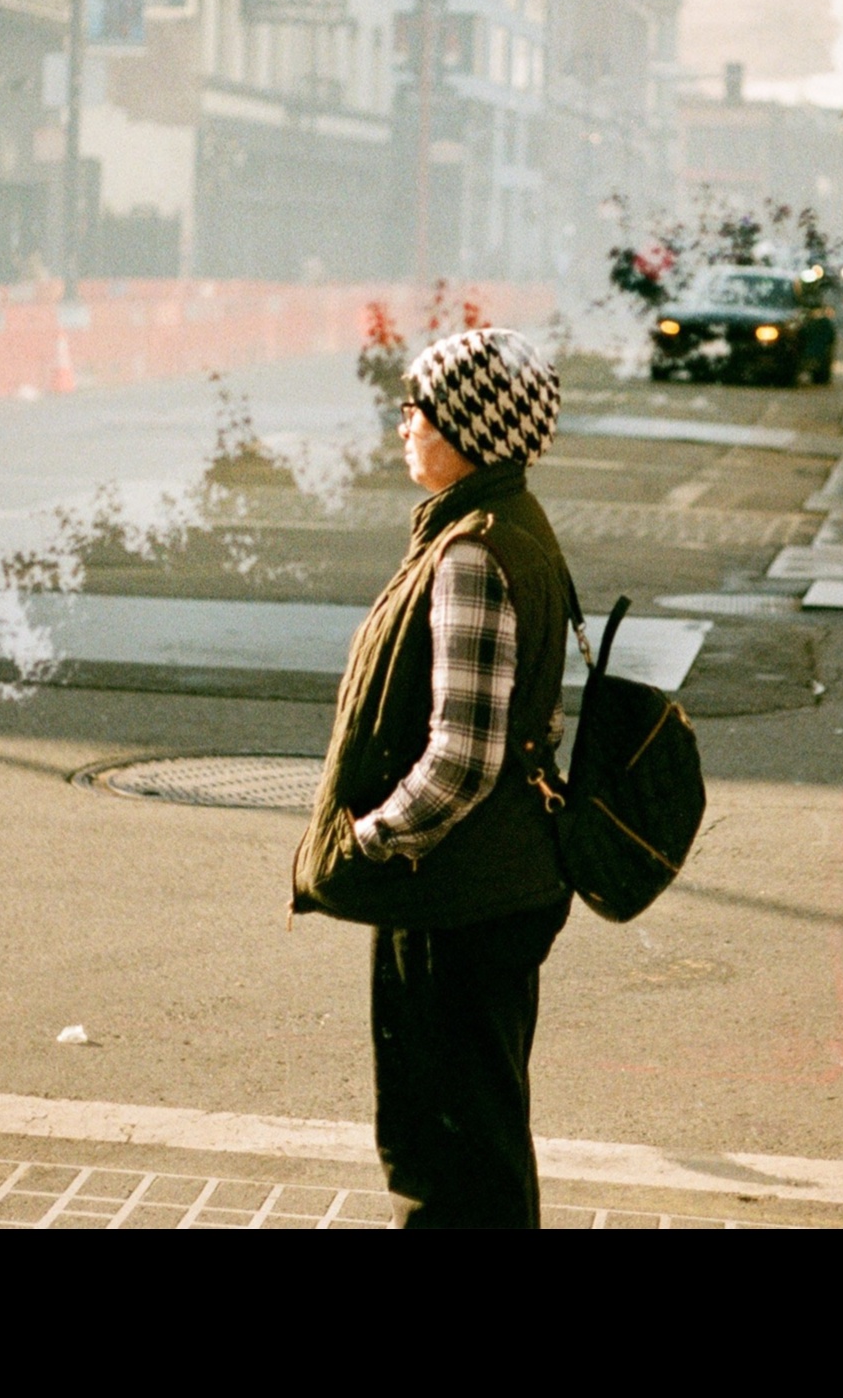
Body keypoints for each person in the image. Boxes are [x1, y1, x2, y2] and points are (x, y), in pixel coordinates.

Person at [292, 327, 573, 1227]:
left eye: (419, 407)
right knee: (480, 1141)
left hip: (458, 893)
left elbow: (461, 755)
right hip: (490, 883)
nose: (404, 421)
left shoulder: (474, 555)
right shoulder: (503, 526)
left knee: (449, 1153)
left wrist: (372, 838)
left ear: (469, 429)